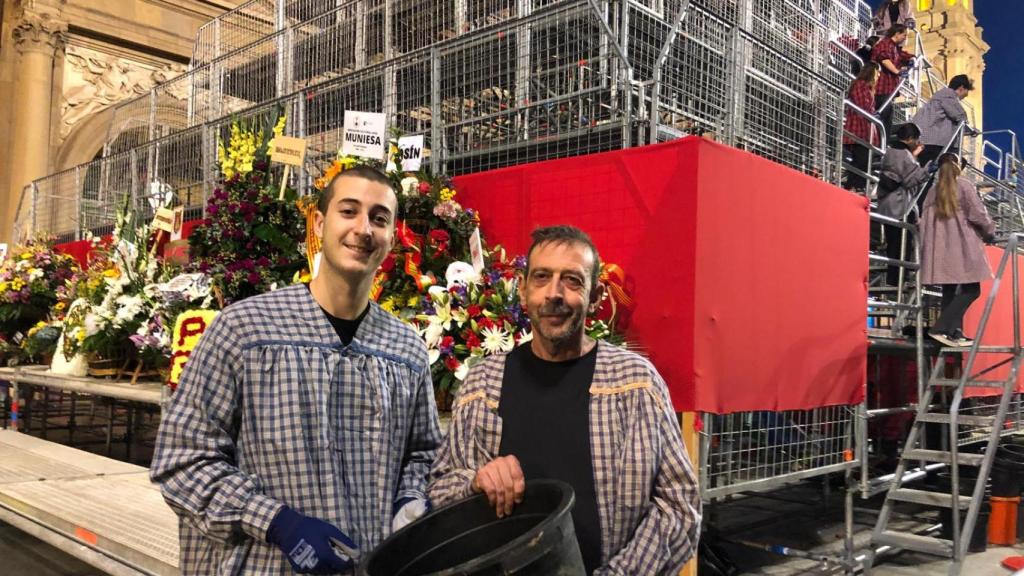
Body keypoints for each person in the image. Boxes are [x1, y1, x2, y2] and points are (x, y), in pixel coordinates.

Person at [151, 166, 442, 574]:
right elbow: (182, 460)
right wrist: (275, 523)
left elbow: (424, 452)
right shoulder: (246, 329)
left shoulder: (405, 348)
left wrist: (409, 499)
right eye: (349, 212)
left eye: (379, 219)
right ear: (320, 224)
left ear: (392, 237)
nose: (364, 229)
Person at [427, 225, 701, 576]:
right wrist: (475, 482)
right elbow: (439, 489)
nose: (554, 293)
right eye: (541, 277)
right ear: (523, 290)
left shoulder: (636, 384)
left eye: (572, 280)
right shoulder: (483, 384)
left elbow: (679, 505)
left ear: (596, 295)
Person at [921, 153, 997, 347]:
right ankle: (940, 328)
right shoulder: (964, 185)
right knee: (972, 290)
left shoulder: (932, 192)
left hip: (941, 251)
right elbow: (979, 215)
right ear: (958, 167)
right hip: (963, 248)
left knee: (949, 290)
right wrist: (990, 233)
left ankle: (954, 333)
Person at [877, 123, 930, 288]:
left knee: (893, 244)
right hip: (899, 205)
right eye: (916, 139)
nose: (917, 142)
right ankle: (898, 281)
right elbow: (910, 180)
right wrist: (928, 170)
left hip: (886, 204)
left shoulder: (890, 152)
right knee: (901, 246)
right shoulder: (904, 155)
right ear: (910, 139)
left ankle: (895, 280)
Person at [913, 74, 975, 167]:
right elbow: (959, 115)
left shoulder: (939, 96)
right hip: (933, 143)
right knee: (957, 162)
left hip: (925, 141)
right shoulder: (948, 95)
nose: (962, 99)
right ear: (961, 88)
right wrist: (971, 129)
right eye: (965, 94)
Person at [871, 24, 914, 139]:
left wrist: (912, 58)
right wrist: (897, 71)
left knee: (887, 119)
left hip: (889, 89)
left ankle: (882, 143)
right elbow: (884, 59)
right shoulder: (884, 44)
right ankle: (879, 144)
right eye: (904, 35)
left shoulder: (895, 48)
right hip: (881, 89)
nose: (905, 38)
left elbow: (902, 56)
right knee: (884, 117)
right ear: (897, 33)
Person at [843, 62, 881, 193]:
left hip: (865, 129)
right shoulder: (860, 84)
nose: (879, 76)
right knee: (861, 159)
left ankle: (854, 186)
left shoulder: (869, 88)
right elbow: (861, 105)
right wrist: (872, 113)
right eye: (877, 72)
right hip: (859, 129)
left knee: (864, 159)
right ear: (872, 72)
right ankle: (851, 187)